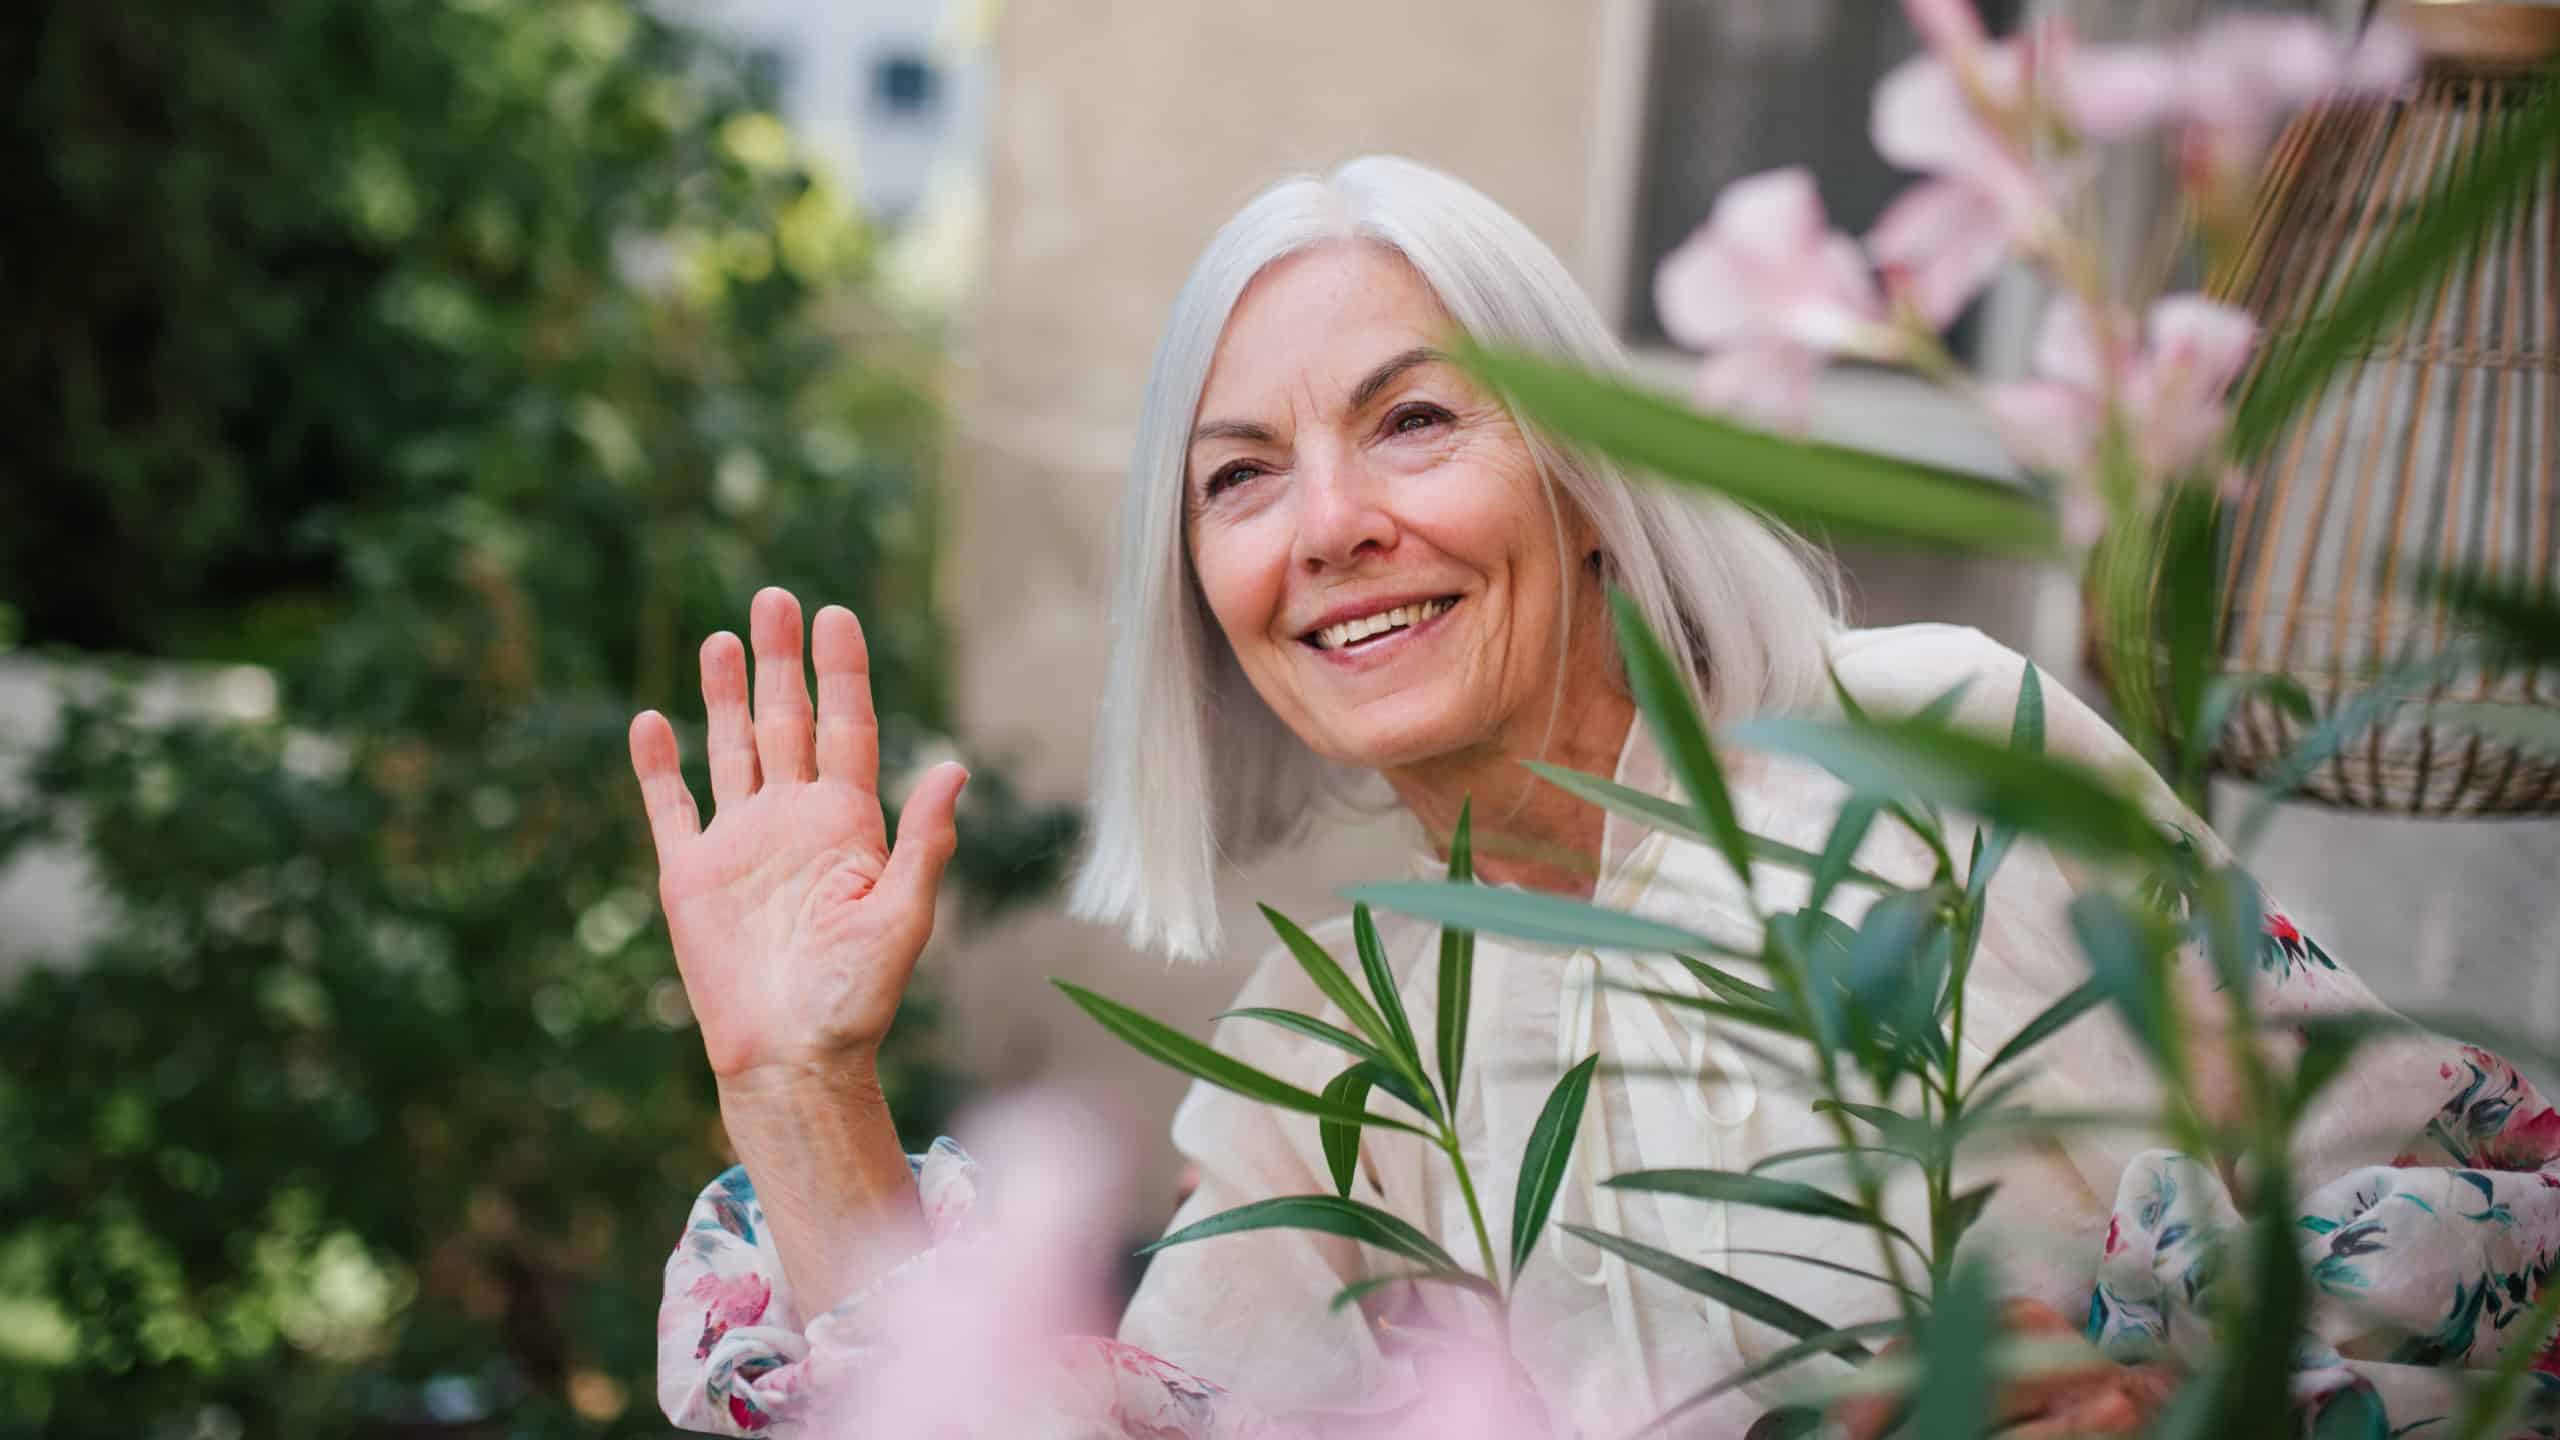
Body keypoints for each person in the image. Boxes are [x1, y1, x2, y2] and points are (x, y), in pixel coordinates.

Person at [629, 156, 2560, 1437]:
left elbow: (2498, 1253)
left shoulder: (1952, 757)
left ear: (1581, 467)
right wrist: (804, 1087)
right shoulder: (1339, 1025)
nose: (1332, 529)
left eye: (1413, 418)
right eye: (1237, 478)